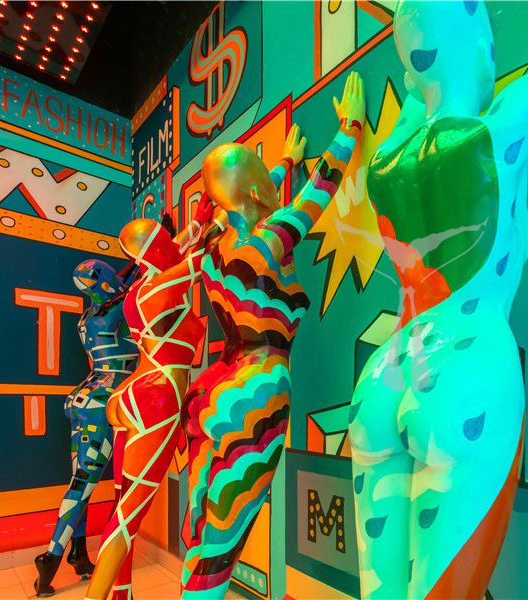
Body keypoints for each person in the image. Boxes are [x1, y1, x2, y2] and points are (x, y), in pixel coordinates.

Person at [347, 2, 528, 598]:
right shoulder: (499, 129)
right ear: (481, 43)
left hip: (386, 374)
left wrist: (413, 72)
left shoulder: (385, 162)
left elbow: (416, 91)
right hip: (464, 367)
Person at [84, 126, 304, 600]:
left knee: (126, 507)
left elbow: (228, 215)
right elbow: (242, 214)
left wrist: (280, 168)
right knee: (130, 515)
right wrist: (272, 177)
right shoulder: (172, 278)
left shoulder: (141, 289)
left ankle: (118, 593)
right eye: (162, 238)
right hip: (161, 394)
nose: (173, 237)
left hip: (136, 393)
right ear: (154, 250)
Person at [180, 73, 365, 599]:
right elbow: (316, 194)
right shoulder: (269, 239)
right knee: (223, 547)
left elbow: (251, 196)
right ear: (261, 191)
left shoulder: (211, 253)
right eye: (267, 179)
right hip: (261, 387)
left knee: (202, 529)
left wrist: (281, 162)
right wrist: (350, 127)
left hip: (216, 385)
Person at [35, 260, 138, 597]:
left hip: (84, 397)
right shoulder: (118, 308)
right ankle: (50, 559)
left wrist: (132, 269)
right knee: (83, 484)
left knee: (80, 481)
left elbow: (124, 280)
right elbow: (132, 284)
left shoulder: (88, 316)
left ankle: (78, 554)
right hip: (104, 398)